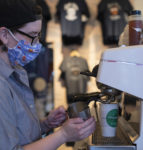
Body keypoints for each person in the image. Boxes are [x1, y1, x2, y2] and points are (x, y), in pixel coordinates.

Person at [0, 0, 96, 150]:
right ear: (5, 35)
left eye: (38, 35)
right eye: (32, 35)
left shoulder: (18, 71)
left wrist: (44, 124)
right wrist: (63, 135)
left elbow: (16, 131)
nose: (37, 44)